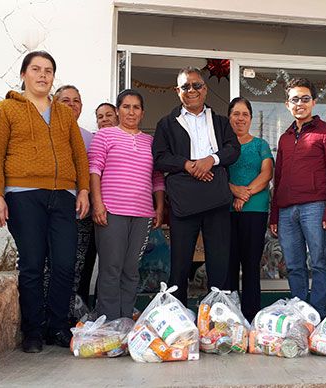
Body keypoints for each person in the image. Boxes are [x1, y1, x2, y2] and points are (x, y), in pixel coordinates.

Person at [0, 51, 90, 353]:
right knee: (32, 264)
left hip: (63, 196)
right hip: (23, 195)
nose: (43, 75)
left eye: (48, 70)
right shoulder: (5, 110)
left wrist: (83, 190)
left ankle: (57, 328)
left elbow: (78, 155)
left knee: (65, 264)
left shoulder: (63, 113)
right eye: (36, 69)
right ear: (23, 75)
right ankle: (32, 331)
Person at [152, 67, 240, 306]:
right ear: (177, 91)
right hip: (184, 201)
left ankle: (217, 318)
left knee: (219, 261)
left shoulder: (221, 122)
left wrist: (210, 160)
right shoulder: (166, 124)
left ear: (205, 89)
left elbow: (233, 150)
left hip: (216, 199)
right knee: (180, 262)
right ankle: (177, 315)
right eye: (186, 86)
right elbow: (159, 157)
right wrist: (189, 165)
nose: (192, 90)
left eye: (197, 85)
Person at [269, 78, 326, 318]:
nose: (300, 104)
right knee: (293, 266)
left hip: (315, 207)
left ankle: (317, 315)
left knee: (320, 263)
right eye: (294, 99)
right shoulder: (284, 137)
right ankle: (300, 314)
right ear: (287, 104)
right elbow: (278, 177)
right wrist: (274, 214)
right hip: (286, 211)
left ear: (314, 102)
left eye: (305, 98)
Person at [89, 89, 165, 320]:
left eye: (136, 107)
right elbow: (94, 171)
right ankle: (109, 321)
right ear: (118, 110)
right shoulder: (105, 136)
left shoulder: (151, 142)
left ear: (142, 113)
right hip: (111, 211)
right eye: (126, 106)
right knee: (111, 268)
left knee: (131, 270)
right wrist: (98, 205)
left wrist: (159, 207)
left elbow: (158, 178)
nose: (131, 111)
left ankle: (124, 321)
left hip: (142, 214)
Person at [227, 97, 274, 321]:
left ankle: (251, 317)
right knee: (228, 265)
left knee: (251, 265)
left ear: (251, 118)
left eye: (245, 114)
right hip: (226, 212)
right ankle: (229, 318)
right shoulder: (222, 147)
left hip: (255, 210)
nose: (240, 118)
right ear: (229, 118)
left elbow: (266, 174)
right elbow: (218, 176)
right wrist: (233, 190)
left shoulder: (261, 145)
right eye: (236, 113)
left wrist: (244, 194)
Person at [54, 85, 96, 309]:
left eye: (76, 101)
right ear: (54, 103)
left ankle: (73, 312)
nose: (72, 105)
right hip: (52, 209)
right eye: (65, 101)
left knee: (78, 266)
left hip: (82, 211)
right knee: (51, 265)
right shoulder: (48, 134)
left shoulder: (90, 138)